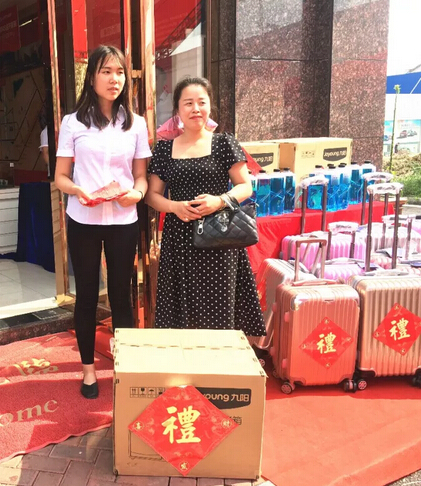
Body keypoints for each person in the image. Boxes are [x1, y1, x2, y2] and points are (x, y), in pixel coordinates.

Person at [54, 45, 151, 399]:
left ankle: (123, 369)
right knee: (86, 296)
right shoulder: (72, 122)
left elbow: (140, 178)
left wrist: (136, 195)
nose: (114, 79)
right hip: (84, 219)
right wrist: (77, 190)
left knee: (122, 296)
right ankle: (89, 372)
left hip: (123, 219)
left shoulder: (136, 123)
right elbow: (60, 177)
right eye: (106, 71)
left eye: (120, 72)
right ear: (91, 77)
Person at [145, 77, 265, 336]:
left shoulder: (224, 143)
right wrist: (174, 206)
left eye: (201, 102)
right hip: (179, 239)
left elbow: (245, 186)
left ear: (210, 106)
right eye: (188, 103)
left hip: (219, 236)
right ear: (177, 109)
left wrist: (220, 201)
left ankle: (219, 360)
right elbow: (151, 196)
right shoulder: (164, 149)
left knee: (219, 309)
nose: (195, 109)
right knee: (180, 310)